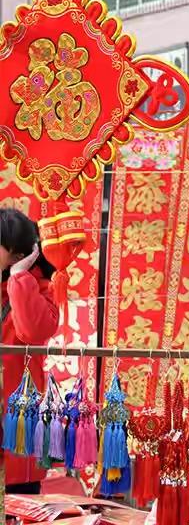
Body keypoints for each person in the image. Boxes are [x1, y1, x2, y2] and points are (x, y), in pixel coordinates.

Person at [1, 208, 59, 493]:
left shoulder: (40, 289)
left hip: (16, 431)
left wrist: (19, 278)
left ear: (16, 251)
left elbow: (33, 332)